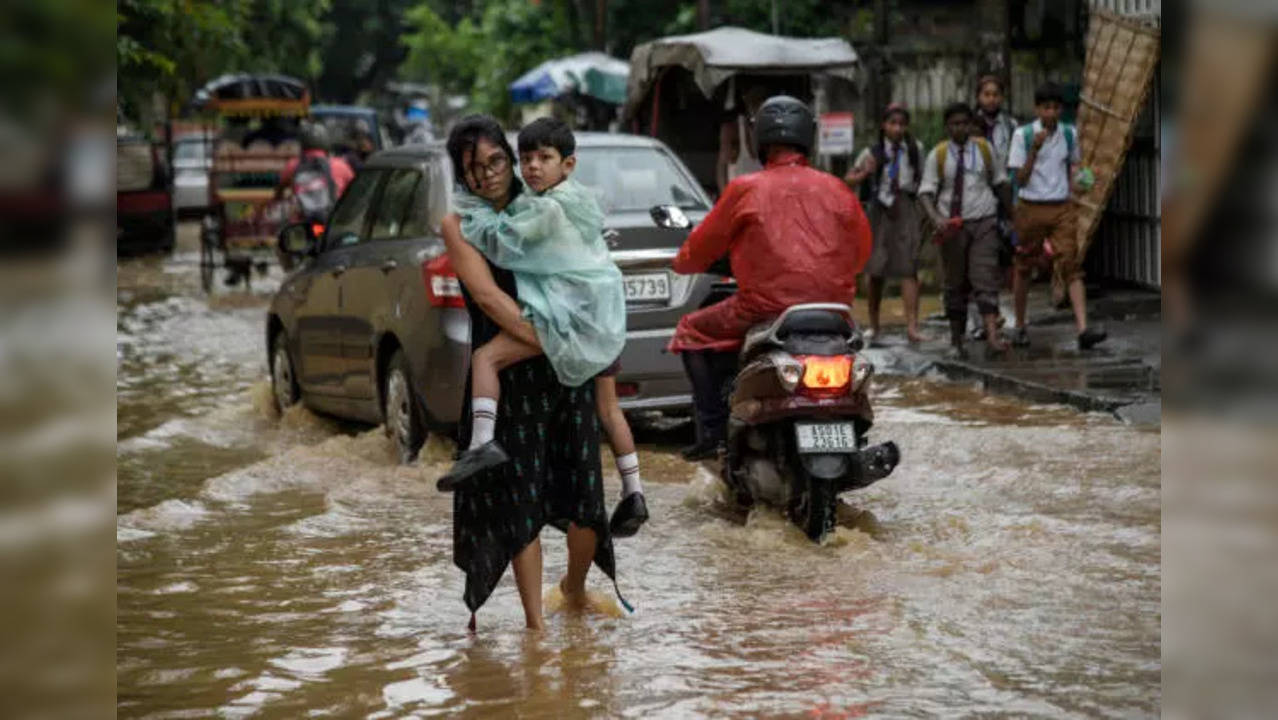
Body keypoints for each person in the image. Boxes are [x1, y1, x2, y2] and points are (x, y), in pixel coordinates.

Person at [438, 115, 628, 631]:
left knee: (586, 495)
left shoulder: (546, 199)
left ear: (511, 157)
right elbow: (488, 298)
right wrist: (555, 339)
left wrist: (580, 340)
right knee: (521, 502)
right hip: (511, 379)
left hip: (569, 373)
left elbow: (590, 259)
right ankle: (535, 628)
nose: (488, 175)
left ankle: (575, 591)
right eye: (473, 169)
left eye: (497, 161)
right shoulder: (459, 225)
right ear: (461, 174)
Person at [669, 95, 873, 460]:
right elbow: (861, 254)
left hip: (763, 309)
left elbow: (696, 252)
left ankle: (714, 436)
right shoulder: (838, 188)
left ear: (759, 138)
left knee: (689, 330)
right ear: (807, 138)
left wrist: (680, 263)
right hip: (834, 313)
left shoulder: (745, 188)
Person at [1006, 82, 1107, 350]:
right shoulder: (1023, 135)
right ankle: (1019, 325)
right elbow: (1019, 178)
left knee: (1071, 265)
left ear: (1061, 110)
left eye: (1055, 108)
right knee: (1024, 265)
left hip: (1061, 206)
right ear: (1037, 109)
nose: (1051, 113)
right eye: (1046, 108)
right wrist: (1034, 151)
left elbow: (1074, 167)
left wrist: (1082, 181)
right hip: (1030, 206)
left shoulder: (1069, 134)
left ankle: (1083, 328)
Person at [918, 102, 1015, 359]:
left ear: (971, 125)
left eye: (964, 123)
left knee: (985, 276)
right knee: (955, 282)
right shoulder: (937, 155)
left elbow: (1000, 182)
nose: (960, 128)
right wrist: (936, 217)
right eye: (954, 124)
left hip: (984, 219)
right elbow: (926, 193)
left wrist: (1014, 216)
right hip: (952, 226)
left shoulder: (984, 150)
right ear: (947, 127)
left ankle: (993, 334)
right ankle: (956, 339)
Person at [844, 103, 927, 345]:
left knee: (909, 268)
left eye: (901, 124)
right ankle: (874, 325)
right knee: (875, 270)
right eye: (892, 123)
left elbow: (923, 178)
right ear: (884, 125)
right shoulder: (872, 152)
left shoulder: (915, 149)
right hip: (879, 209)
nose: (897, 128)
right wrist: (865, 173)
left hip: (905, 206)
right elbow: (849, 179)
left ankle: (912, 326)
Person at [274, 123, 355, 222]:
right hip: (332, 221)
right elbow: (355, 190)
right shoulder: (341, 165)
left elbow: (280, 189)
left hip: (302, 223)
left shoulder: (293, 165)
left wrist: (278, 198)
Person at [716, 84, 771, 195]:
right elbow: (722, 166)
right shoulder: (732, 128)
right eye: (755, 101)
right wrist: (724, 197)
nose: (758, 105)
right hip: (739, 196)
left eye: (761, 100)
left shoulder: (770, 130)